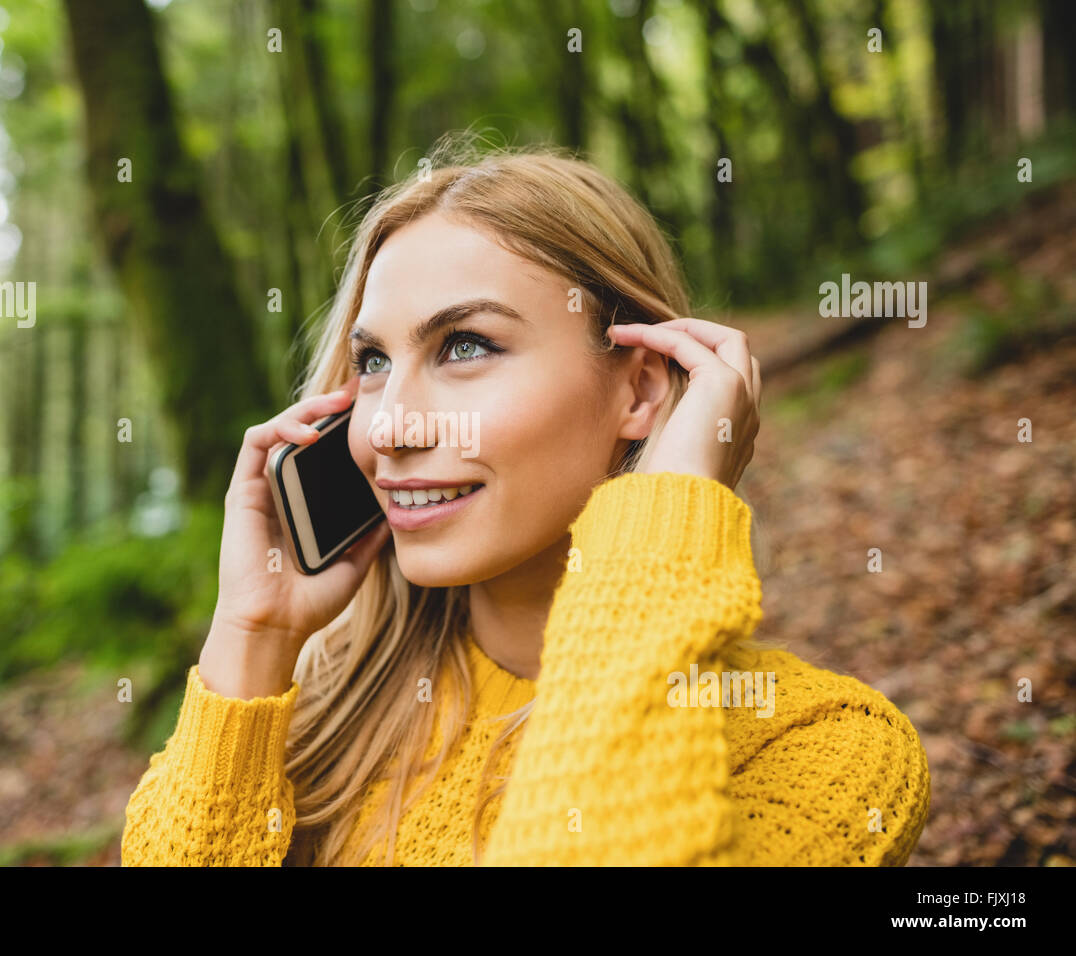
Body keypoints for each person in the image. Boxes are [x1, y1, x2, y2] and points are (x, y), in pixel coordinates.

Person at [120, 137, 931, 866]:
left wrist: (670, 507)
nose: (388, 427)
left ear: (641, 388)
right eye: (372, 361)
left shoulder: (823, 751)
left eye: (465, 346)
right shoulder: (311, 716)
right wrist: (253, 636)